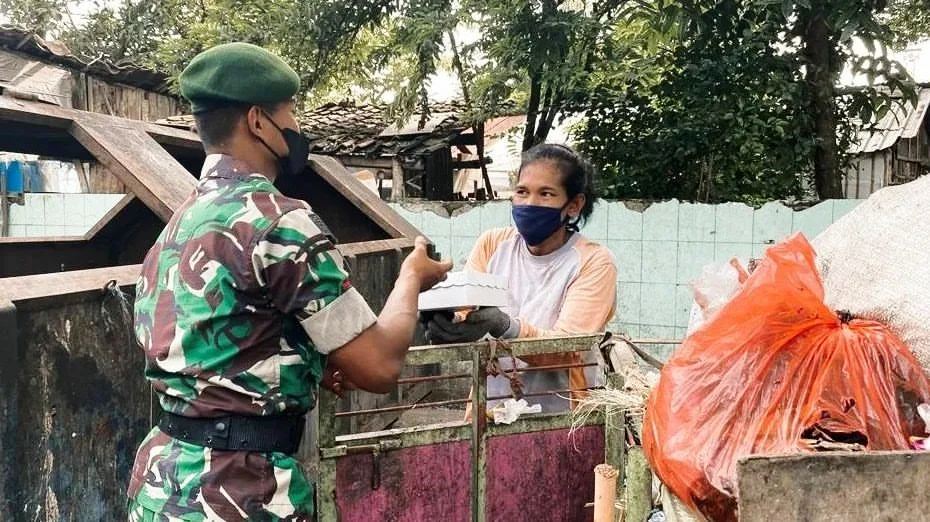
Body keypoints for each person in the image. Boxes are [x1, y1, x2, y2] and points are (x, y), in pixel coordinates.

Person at [126, 43, 451, 521]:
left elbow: (227, 342)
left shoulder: (180, 223)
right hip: (238, 494)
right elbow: (379, 367)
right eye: (291, 112)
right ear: (258, 121)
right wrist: (411, 278)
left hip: (160, 485)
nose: (297, 126)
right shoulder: (280, 222)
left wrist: (309, 360)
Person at [425, 143, 617, 413]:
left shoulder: (593, 261)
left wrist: (504, 325)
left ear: (574, 205)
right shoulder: (493, 244)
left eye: (546, 194)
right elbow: (467, 310)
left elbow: (568, 347)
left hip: (562, 415)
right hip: (490, 410)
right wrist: (448, 321)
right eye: (522, 192)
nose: (529, 203)